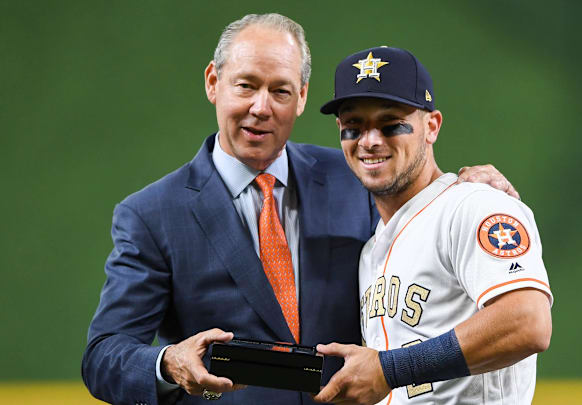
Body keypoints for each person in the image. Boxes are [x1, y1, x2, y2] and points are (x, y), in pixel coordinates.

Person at [81, 14, 520, 405]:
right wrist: (169, 362)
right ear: (214, 82)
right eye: (246, 85)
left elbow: (418, 189)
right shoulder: (152, 214)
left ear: (303, 97)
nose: (261, 107)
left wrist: (465, 183)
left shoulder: (358, 176)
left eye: (280, 90)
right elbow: (103, 356)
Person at [312, 46, 553, 405]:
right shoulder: (371, 249)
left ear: (432, 126)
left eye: (390, 123)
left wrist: (388, 370)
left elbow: (527, 321)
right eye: (353, 127)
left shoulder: (472, 205)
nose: (370, 140)